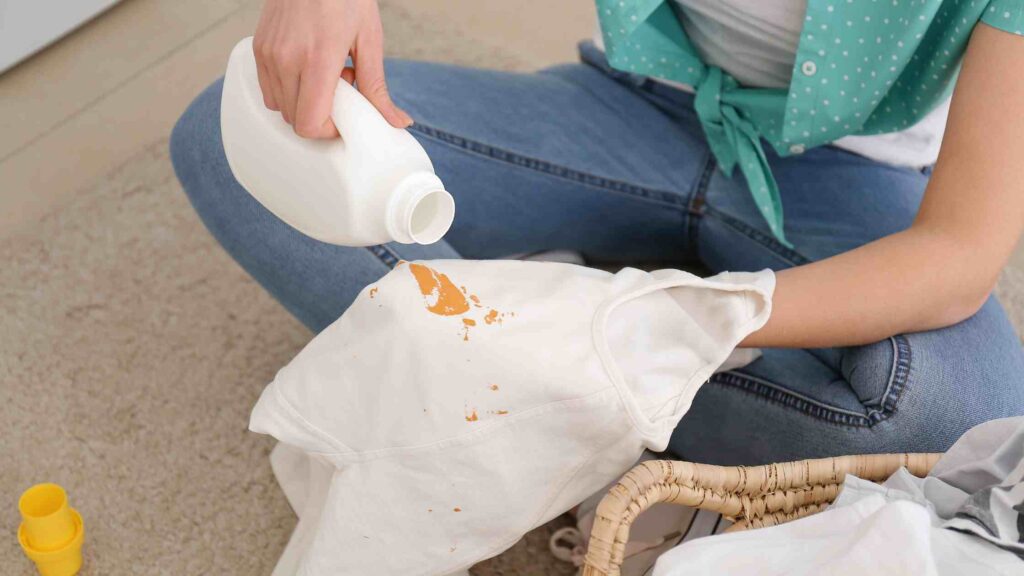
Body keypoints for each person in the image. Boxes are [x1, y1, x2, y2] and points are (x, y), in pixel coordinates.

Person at [170, 0, 1024, 465]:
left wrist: (668, 319)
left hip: (855, 177)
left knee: (960, 415)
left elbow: (956, 257)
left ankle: (502, 357)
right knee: (232, 135)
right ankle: (574, 386)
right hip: (629, 104)